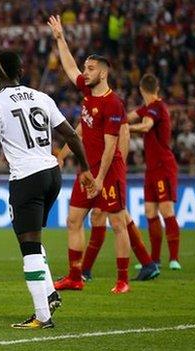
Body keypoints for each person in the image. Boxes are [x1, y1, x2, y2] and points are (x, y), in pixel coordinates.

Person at [0, 51, 95, 329]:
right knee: (33, 240)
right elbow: (71, 134)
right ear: (21, 70)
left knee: (28, 247)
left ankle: (42, 316)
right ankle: (50, 294)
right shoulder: (41, 97)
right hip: (52, 174)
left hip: (26, 178)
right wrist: (86, 168)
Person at [48, 15, 131, 294]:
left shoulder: (113, 104)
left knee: (118, 223)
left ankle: (122, 280)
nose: (86, 71)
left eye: (91, 68)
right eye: (87, 67)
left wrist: (99, 178)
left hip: (107, 170)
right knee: (73, 220)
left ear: (103, 72)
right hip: (88, 170)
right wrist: (60, 39)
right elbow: (70, 67)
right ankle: (75, 277)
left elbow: (111, 147)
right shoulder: (87, 91)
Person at [58, 117, 160, 281]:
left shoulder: (111, 104)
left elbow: (124, 133)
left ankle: (86, 271)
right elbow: (77, 133)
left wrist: (119, 169)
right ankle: (147, 263)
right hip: (93, 170)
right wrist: (61, 156)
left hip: (109, 171)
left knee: (107, 218)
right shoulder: (89, 106)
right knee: (112, 217)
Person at [128, 73, 181, 271]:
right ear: (156, 88)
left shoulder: (157, 108)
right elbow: (129, 116)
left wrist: (125, 128)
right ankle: (155, 259)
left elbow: (145, 126)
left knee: (166, 211)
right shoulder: (148, 108)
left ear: (142, 90)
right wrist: (114, 121)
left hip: (163, 167)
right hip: (151, 169)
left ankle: (174, 258)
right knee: (150, 212)